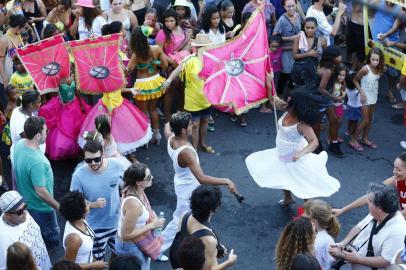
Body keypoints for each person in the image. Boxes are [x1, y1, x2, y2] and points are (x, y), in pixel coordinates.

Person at [159, 111, 238, 258]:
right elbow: (201, 178)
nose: (193, 125)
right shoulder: (186, 153)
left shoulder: (171, 138)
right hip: (188, 189)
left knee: (186, 218)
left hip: (183, 184)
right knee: (179, 220)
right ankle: (157, 249)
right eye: (189, 125)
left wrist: (171, 120)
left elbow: (166, 127)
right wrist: (226, 181)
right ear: (182, 130)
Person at [245, 90, 340, 206]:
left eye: (290, 104)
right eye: (287, 102)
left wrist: (300, 154)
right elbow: (272, 98)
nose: (286, 105)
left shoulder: (302, 124)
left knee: (302, 185)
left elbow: (314, 142)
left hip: (295, 156)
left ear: (298, 107)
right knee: (283, 176)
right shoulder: (287, 108)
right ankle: (288, 198)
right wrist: (269, 79)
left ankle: (308, 211)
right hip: (282, 153)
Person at [70, 140, 129, 260]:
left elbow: (130, 179)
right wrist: (92, 204)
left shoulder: (116, 165)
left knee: (118, 255)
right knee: (98, 261)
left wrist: (125, 189)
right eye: (88, 160)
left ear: (103, 155)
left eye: (96, 159)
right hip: (95, 227)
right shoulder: (78, 175)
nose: (93, 163)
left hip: (117, 222)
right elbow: (74, 202)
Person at [329, 183, 406, 269]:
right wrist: (342, 244)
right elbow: (359, 227)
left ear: (379, 208)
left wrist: (358, 259)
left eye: (370, 201)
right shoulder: (379, 212)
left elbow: (386, 261)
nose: (367, 203)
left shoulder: (398, 231)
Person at [13, 116, 61, 249]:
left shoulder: (20, 145)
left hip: (28, 202)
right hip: (42, 208)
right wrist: (58, 206)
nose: (48, 132)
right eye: (46, 130)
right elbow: (40, 191)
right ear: (38, 135)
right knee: (51, 236)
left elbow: (14, 168)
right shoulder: (37, 162)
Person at [163, 34, 214, 153]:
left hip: (207, 98)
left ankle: (202, 144)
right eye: (202, 47)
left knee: (205, 121)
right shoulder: (189, 59)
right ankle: (194, 149)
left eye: (206, 47)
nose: (204, 49)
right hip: (193, 99)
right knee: (195, 125)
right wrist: (169, 80)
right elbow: (177, 70)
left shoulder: (211, 60)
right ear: (196, 47)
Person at [170, 185, 238, 269]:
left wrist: (213, 249)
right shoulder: (209, 240)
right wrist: (229, 262)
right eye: (219, 203)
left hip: (178, 262)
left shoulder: (185, 216)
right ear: (214, 209)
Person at [115, 163, 165, 269]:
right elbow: (126, 235)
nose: (152, 178)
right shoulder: (133, 204)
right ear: (138, 182)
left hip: (134, 243)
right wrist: (152, 225)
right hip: (130, 246)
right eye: (148, 177)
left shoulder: (137, 191)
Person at [127, 26, 168, 145]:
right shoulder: (156, 48)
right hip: (155, 81)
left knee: (143, 113)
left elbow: (128, 70)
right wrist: (154, 63)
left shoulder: (136, 55)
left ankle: (145, 138)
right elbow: (165, 65)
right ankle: (157, 134)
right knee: (153, 109)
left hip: (142, 85)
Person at [332, 152, 406, 218]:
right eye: (394, 167)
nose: (394, 171)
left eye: (398, 170)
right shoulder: (395, 179)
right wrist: (342, 210)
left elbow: (402, 215)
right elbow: (371, 195)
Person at [38, 78, 91, 160]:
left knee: (61, 143)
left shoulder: (76, 103)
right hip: (70, 112)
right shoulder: (76, 101)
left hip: (71, 114)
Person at [0, 190, 51, 270]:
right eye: (20, 211)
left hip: (46, 264)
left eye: (25, 206)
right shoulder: (3, 239)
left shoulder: (22, 214)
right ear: (7, 214)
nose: (25, 212)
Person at [60, 191, 107, 269]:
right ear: (81, 212)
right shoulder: (75, 239)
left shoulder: (80, 220)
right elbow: (68, 267)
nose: (89, 204)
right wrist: (94, 265)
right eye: (86, 204)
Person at [311, 45, 344, 156]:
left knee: (334, 120)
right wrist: (334, 97)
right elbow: (321, 89)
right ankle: (316, 145)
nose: (340, 57)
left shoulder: (330, 66)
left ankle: (334, 144)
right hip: (318, 99)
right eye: (338, 56)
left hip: (325, 99)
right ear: (332, 57)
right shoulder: (328, 71)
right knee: (317, 124)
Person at [351, 47, 384, 150]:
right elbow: (355, 80)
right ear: (369, 58)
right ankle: (353, 140)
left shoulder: (379, 68)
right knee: (365, 120)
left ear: (380, 60)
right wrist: (361, 93)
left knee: (369, 120)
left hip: (373, 97)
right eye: (372, 59)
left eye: (377, 60)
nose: (374, 62)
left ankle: (365, 138)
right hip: (364, 98)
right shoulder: (365, 69)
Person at [272, 0, 302, 97]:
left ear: (296, 5)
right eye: (288, 6)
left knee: (294, 73)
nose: (291, 8)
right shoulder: (282, 20)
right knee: (285, 74)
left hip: (297, 49)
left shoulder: (298, 16)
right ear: (284, 7)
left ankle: (290, 96)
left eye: (293, 6)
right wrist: (291, 38)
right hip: (286, 50)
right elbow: (274, 37)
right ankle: (279, 96)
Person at [291, 17, 326, 89]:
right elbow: (294, 56)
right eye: (307, 28)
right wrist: (309, 54)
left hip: (314, 72)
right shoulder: (298, 38)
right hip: (300, 73)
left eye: (312, 28)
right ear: (304, 27)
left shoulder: (322, 40)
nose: (309, 30)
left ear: (316, 27)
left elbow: (325, 57)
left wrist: (321, 68)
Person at [304, 199, 340, 270]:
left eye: (304, 215)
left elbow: (331, 262)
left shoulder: (324, 241)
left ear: (314, 221)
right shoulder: (327, 238)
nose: (302, 215)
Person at [9, 90, 41, 160]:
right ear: (31, 104)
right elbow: (31, 141)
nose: (41, 104)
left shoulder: (17, 109)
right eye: (38, 102)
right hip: (23, 157)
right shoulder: (22, 122)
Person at [0, 14, 26, 87]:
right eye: (23, 28)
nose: (24, 30)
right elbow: (0, 62)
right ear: (18, 27)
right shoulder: (4, 40)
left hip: (21, 74)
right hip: (10, 77)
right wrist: (5, 80)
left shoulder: (18, 35)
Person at [345, 72, 363, 151]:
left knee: (350, 120)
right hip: (356, 108)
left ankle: (348, 130)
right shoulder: (357, 91)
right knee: (355, 122)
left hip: (349, 106)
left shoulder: (347, 88)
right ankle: (353, 134)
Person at [329, 63, 347, 143]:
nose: (341, 77)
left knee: (339, 122)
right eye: (340, 75)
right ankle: (330, 136)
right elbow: (333, 95)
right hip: (333, 105)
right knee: (333, 122)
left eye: (343, 75)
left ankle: (335, 135)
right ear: (336, 74)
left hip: (340, 104)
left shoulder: (343, 83)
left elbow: (343, 93)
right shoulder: (334, 84)